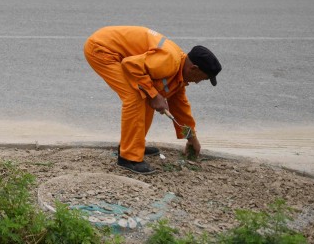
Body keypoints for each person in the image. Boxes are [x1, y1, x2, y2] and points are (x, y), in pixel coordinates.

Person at [84, 26, 221, 175]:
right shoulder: (169, 61)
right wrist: (155, 96)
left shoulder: (178, 74)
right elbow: (131, 65)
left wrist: (191, 138)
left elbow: (181, 110)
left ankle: (134, 145)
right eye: (203, 78)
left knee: (148, 92)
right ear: (194, 68)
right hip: (102, 49)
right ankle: (128, 158)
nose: (199, 82)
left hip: (114, 50)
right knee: (136, 97)